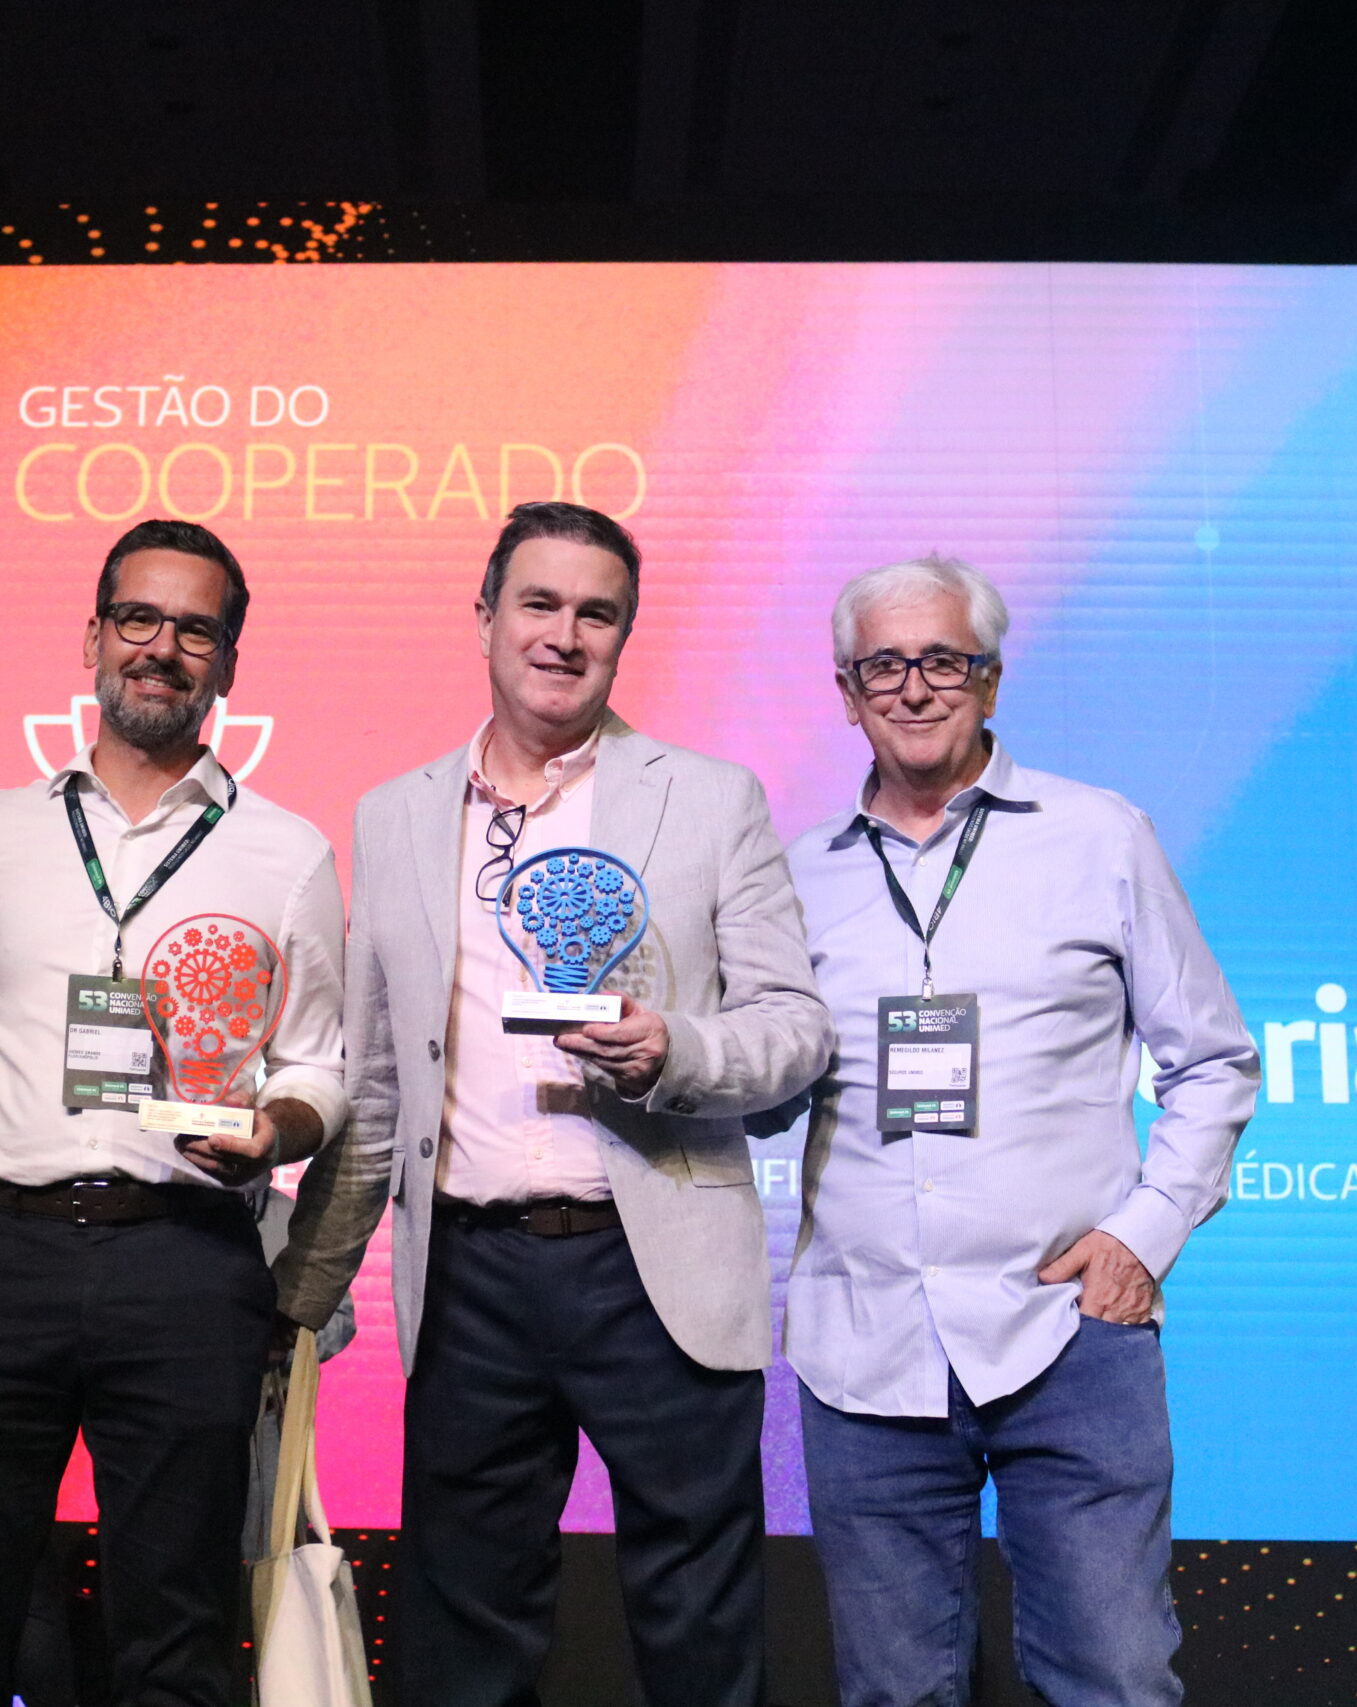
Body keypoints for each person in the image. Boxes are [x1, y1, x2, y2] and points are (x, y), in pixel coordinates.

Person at [279, 501, 832, 1707]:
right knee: (463, 1641)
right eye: (538, 603)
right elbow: (375, 1087)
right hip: (469, 1274)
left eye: (596, 613)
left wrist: (674, 1049)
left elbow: (795, 1030)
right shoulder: (395, 813)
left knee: (700, 1633)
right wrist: (304, 1294)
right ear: (484, 617)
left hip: (653, 1271)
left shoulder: (711, 798)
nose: (564, 635)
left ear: (624, 636)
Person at [0, 518, 347, 1707]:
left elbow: (316, 1068)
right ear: (92, 635)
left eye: (194, 629)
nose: (161, 648)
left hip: (184, 1264)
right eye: (138, 618)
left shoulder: (287, 852)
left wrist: (275, 1132)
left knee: (175, 1638)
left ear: (227, 662)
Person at [784, 554, 1259, 1707]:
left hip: (1069, 1335)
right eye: (882, 666)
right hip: (863, 1347)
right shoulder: (796, 878)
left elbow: (1212, 1062)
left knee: (1111, 1680)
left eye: (942, 661)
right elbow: (761, 1082)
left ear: (990, 680)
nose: (913, 688)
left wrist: (1141, 1238)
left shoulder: (1098, 835)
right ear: (845, 693)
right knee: (894, 1695)